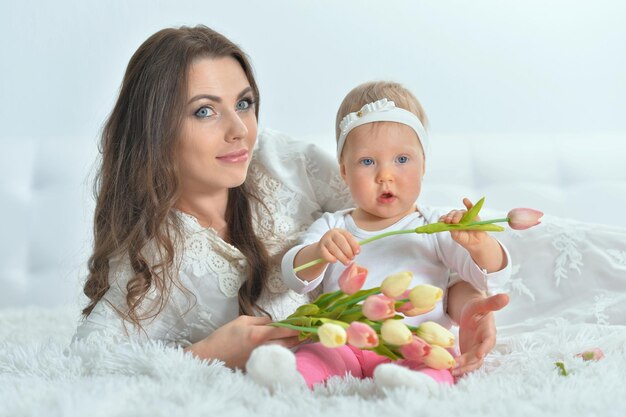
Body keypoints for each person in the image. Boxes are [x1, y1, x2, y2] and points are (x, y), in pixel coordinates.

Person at [74, 25, 506, 377]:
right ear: (155, 130)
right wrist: (209, 353)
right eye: (205, 110)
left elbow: (397, 225)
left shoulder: (280, 163)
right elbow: (85, 359)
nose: (239, 129)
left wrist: (466, 301)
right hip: (327, 364)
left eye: (244, 103)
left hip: (408, 325)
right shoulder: (154, 259)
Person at [246, 81, 511, 390]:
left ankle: (414, 385)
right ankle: (288, 377)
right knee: (317, 354)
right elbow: (294, 275)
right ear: (344, 170)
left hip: (416, 339)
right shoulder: (335, 226)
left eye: (402, 159)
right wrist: (318, 253)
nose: (385, 175)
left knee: (435, 361)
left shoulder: (435, 226)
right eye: (367, 161)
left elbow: (487, 278)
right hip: (348, 338)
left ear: (424, 164)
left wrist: (479, 245)